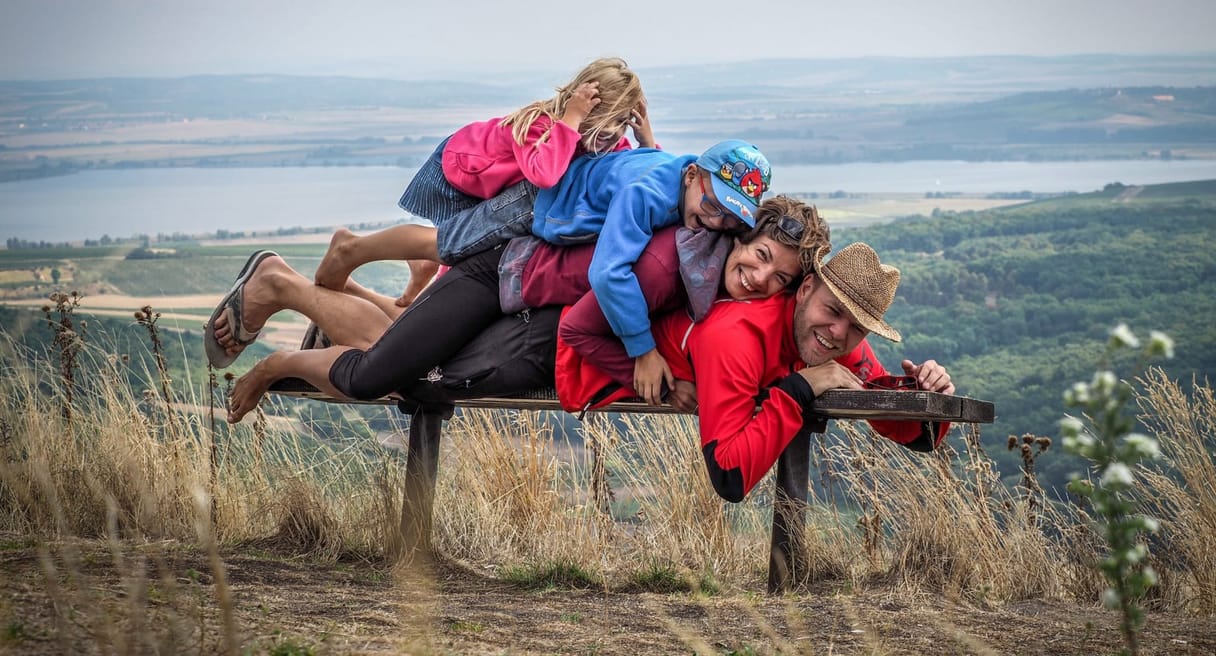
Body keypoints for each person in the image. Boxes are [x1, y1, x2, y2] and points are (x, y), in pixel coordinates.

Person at [211, 138, 772, 406]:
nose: (716, 220)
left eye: (731, 216)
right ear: (695, 173)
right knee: (377, 375)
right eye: (713, 201)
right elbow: (609, 273)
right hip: (502, 262)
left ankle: (314, 288)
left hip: (524, 266)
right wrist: (643, 350)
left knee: (409, 351)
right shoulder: (648, 192)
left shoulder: (679, 184)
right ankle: (279, 323)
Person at [561, 241, 956, 502]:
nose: (840, 334)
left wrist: (926, 392)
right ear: (804, 291)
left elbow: (911, 431)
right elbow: (730, 476)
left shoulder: (831, 335)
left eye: (858, 328)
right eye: (833, 312)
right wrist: (799, 389)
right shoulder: (736, 335)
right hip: (565, 355)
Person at [312, 56, 653, 308]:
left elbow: (633, 171)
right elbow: (544, 175)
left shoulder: (604, 139)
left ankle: (420, 279)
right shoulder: (540, 124)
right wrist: (571, 121)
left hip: (497, 192)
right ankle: (351, 248)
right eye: (600, 123)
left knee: (454, 250)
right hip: (462, 175)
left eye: (619, 124)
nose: (609, 135)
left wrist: (646, 142)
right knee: (448, 242)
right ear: (580, 105)